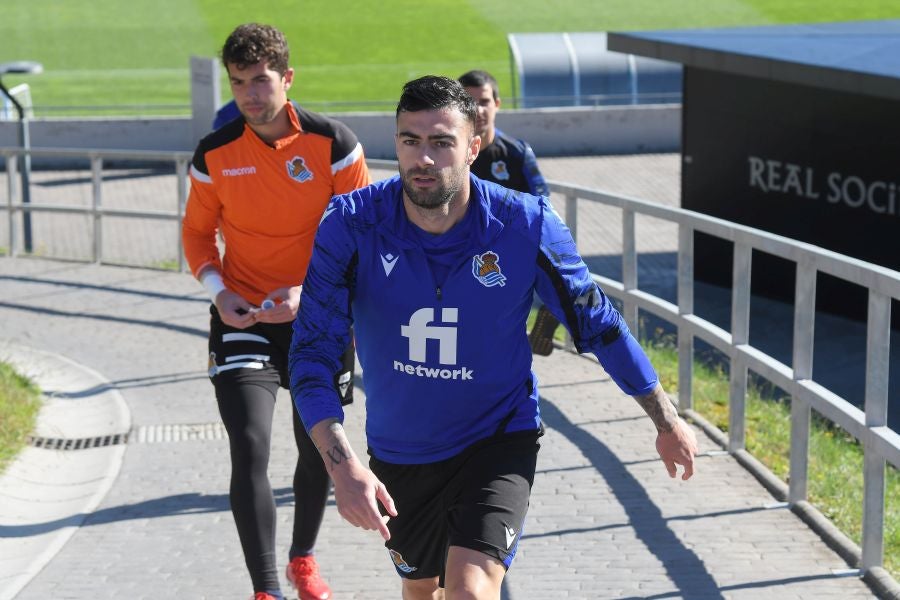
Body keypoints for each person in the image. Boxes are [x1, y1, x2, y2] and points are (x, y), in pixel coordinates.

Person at [288, 75, 698, 600]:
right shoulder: (350, 225)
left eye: (442, 142)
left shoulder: (525, 225)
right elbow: (311, 355)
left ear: (473, 146)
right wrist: (342, 468)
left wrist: (664, 418)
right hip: (401, 448)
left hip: (497, 437)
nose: (425, 159)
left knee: (470, 590)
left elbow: (596, 322)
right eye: (411, 141)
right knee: (421, 591)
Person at [181, 23, 370, 600]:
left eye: (261, 81)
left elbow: (363, 239)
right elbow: (196, 236)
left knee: (317, 448)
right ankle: (266, 589)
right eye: (239, 83)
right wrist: (219, 291)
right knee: (250, 446)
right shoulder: (214, 153)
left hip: (316, 319)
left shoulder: (334, 144)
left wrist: (307, 295)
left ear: (287, 78)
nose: (250, 95)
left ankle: (302, 559)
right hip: (243, 320)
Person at [458, 69, 559, 356]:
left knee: (563, 266)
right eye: (469, 101)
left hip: (504, 250)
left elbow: (543, 207)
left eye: (484, 101)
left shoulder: (515, 153)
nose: (477, 110)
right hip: (457, 247)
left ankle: (545, 325)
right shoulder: (447, 152)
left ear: (497, 104)